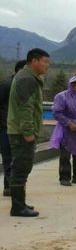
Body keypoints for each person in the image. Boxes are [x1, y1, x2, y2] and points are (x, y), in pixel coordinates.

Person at [7, 48, 49, 217]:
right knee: (21, 167)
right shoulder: (27, 80)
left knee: (23, 167)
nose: (47, 66)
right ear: (34, 61)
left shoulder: (30, 78)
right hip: (21, 132)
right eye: (45, 62)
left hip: (20, 130)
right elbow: (25, 108)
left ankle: (21, 203)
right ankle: (17, 207)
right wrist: (28, 132)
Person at [50, 75, 76, 186]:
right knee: (65, 155)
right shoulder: (61, 96)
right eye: (74, 84)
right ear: (70, 85)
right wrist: (68, 123)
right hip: (66, 130)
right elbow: (56, 113)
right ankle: (64, 178)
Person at [0, 60, 27, 197]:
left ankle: (14, 187)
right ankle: (11, 187)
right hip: (7, 128)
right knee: (9, 158)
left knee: (19, 159)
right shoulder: (6, 85)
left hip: (22, 129)